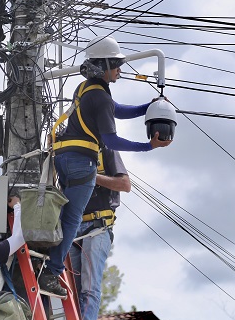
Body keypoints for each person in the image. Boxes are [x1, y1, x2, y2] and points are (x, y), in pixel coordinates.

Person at [40, 35, 172, 298]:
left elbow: (116, 109)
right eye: (116, 65)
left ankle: (48, 264)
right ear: (105, 65)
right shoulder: (99, 97)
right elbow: (110, 140)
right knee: (72, 219)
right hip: (81, 162)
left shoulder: (86, 88)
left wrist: (148, 107)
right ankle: (51, 272)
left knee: (66, 215)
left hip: (64, 158)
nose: (120, 70)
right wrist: (149, 147)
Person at [69, 148, 130, 320]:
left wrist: (90, 176)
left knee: (89, 287)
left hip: (97, 227)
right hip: (73, 230)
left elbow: (125, 184)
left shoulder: (107, 151)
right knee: (71, 288)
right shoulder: (71, 154)